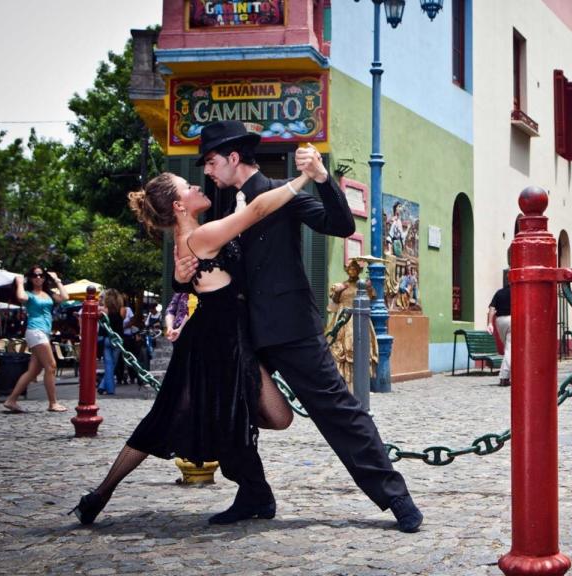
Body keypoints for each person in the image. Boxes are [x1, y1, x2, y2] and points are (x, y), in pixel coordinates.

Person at [174, 120, 423, 531]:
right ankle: (254, 494)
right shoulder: (221, 207)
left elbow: (340, 226)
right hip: (240, 331)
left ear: (233, 158)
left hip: (290, 326)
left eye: (212, 162)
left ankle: (396, 497)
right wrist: (181, 277)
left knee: (337, 410)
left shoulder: (282, 193)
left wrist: (323, 179)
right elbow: (206, 266)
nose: (208, 171)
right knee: (230, 411)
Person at [70, 166, 305, 526]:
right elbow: (257, 211)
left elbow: (194, 285)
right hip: (215, 346)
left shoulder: (192, 238)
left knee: (265, 417)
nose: (198, 186)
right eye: (188, 186)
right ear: (179, 206)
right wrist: (304, 179)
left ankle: (247, 485)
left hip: (225, 342)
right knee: (171, 420)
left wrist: (178, 296)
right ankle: (101, 494)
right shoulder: (201, 236)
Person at [2, 266, 67, 413]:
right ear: (30, 278)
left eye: (41, 275)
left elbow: (64, 297)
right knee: (51, 366)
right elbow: (21, 297)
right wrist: (20, 282)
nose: (38, 277)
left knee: (34, 371)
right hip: (35, 331)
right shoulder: (29, 294)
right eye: (34, 275)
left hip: (44, 332)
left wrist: (57, 280)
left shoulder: (48, 294)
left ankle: (11, 400)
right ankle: (53, 403)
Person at [326, 258, 377, 388]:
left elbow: (371, 298)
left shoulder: (363, 285)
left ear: (359, 271)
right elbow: (335, 301)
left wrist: (369, 287)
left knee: (357, 346)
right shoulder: (342, 285)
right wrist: (339, 291)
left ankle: (358, 382)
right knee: (339, 346)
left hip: (358, 318)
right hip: (342, 318)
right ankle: (342, 381)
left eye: (355, 269)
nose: (352, 271)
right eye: (350, 269)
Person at [98, 289, 125, 396]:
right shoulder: (122, 309)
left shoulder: (104, 310)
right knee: (113, 365)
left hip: (106, 339)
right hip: (117, 339)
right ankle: (107, 389)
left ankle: (104, 387)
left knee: (108, 365)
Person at [487, 279, 511, 387]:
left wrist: (489, 323)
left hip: (499, 321)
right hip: (512, 320)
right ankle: (504, 377)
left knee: (508, 348)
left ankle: (507, 375)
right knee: (510, 349)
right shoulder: (518, 291)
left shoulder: (499, 292)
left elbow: (492, 308)